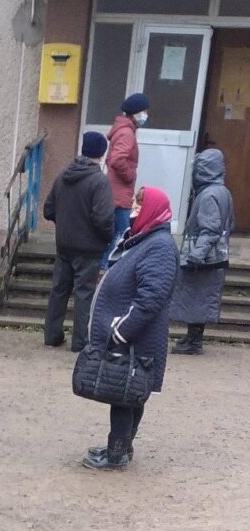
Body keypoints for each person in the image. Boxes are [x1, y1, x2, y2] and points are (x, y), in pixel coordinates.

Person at [83, 186, 178, 471]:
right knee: (130, 393)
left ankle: (116, 455)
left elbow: (151, 298)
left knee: (124, 395)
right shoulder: (145, 240)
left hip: (136, 338)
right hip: (134, 336)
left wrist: (121, 330)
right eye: (134, 206)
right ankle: (122, 447)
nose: (133, 212)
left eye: (139, 207)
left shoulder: (159, 247)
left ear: (152, 211)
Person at [43, 131, 114, 352]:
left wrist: (65, 224)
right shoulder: (99, 181)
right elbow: (103, 218)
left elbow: (48, 210)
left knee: (59, 291)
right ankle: (80, 342)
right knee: (84, 295)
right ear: (101, 154)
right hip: (89, 249)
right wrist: (106, 238)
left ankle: (52, 336)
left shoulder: (63, 175)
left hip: (64, 245)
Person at [170, 149, 235, 356]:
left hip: (204, 259)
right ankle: (193, 337)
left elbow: (210, 228)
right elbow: (228, 224)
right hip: (215, 257)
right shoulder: (222, 192)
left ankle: (193, 341)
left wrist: (196, 254)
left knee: (196, 297)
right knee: (202, 297)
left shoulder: (208, 195)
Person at [101, 92, 150, 271]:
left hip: (116, 192)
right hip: (120, 194)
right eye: (144, 111)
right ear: (136, 113)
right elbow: (117, 159)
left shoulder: (124, 130)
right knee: (122, 234)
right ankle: (107, 269)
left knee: (117, 233)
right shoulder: (127, 133)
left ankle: (105, 269)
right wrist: (129, 176)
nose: (145, 115)